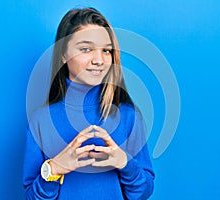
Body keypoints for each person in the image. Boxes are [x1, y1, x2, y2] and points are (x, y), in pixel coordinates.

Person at [23, 7, 155, 200]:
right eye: (86, 49)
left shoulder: (127, 115)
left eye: (106, 50)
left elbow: (142, 193)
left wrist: (125, 162)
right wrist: (54, 168)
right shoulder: (41, 120)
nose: (99, 60)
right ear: (63, 54)